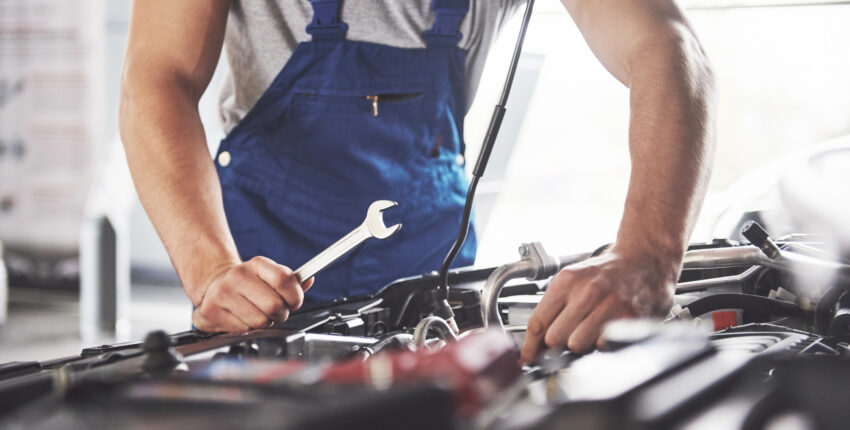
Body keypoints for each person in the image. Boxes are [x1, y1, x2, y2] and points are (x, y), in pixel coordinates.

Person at [119, 0, 715, 361]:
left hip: (431, 280)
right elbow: (157, 78)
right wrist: (210, 272)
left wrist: (648, 251)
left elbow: (667, 44)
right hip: (254, 277)